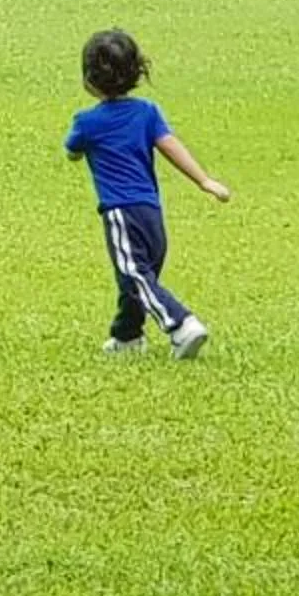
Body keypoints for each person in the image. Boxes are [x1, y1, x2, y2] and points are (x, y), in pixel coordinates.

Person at [65, 29, 230, 360]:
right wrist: (204, 180)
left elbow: (72, 150)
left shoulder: (87, 122)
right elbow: (170, 146)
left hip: (120, 213)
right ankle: (127, 337)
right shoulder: (148, 113)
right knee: (137, 276)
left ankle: (181, 324)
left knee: (134, 275)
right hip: (151, 212)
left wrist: (78, 151)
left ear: (89, 79)